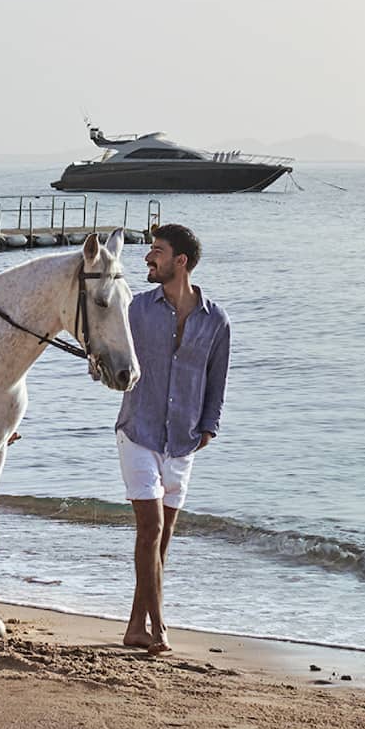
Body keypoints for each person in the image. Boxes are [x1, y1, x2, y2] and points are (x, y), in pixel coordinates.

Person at [114, 224, 230, 653]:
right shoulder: (136, 309)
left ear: (180, 261)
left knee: (161, 542)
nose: (149, 258)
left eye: (157, 252)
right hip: (138, 430)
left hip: (183, 440)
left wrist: (208, 426)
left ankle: (133, 627)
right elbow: (108, 348)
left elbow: (217, 378)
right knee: (150, 528)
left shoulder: (216, 320)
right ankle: (159, 627)